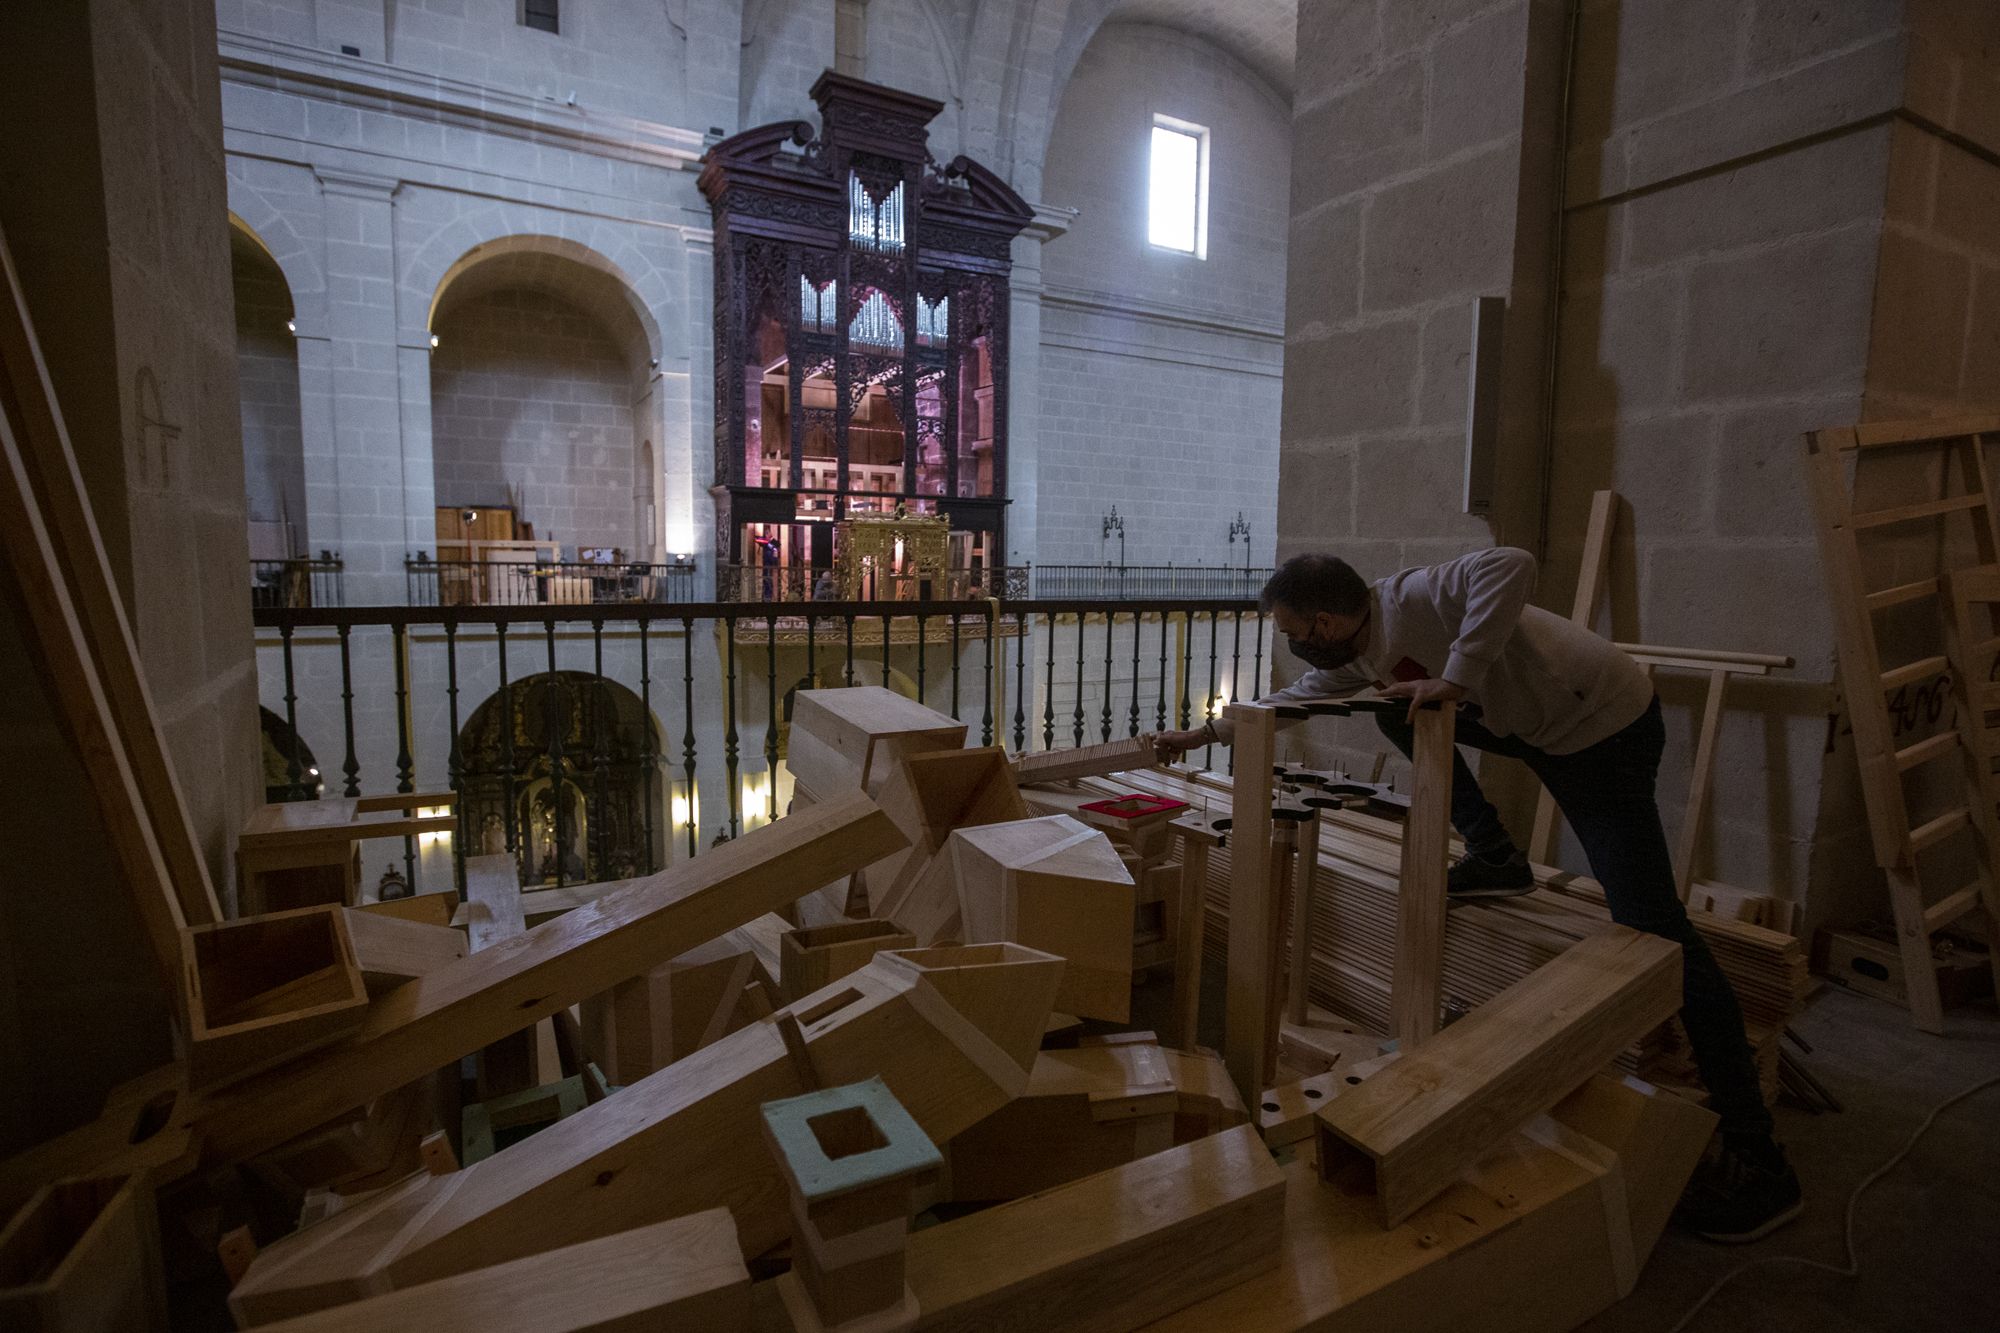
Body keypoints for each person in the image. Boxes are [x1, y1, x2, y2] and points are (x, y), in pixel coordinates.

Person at [1154, 549, 1802, 1243]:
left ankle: (1759, 1154)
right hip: (1536, 725)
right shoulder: (1359, 651)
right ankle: (1497, 854)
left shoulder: (1419, 596)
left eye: (1293, 629)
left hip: (1601, 728)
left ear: (1325, 618)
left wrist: (1457, 678)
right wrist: (1203, 733)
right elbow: (1297, 697)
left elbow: (1515, 563)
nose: (1293, 642)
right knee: (1396, 711)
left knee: (1653, 927)